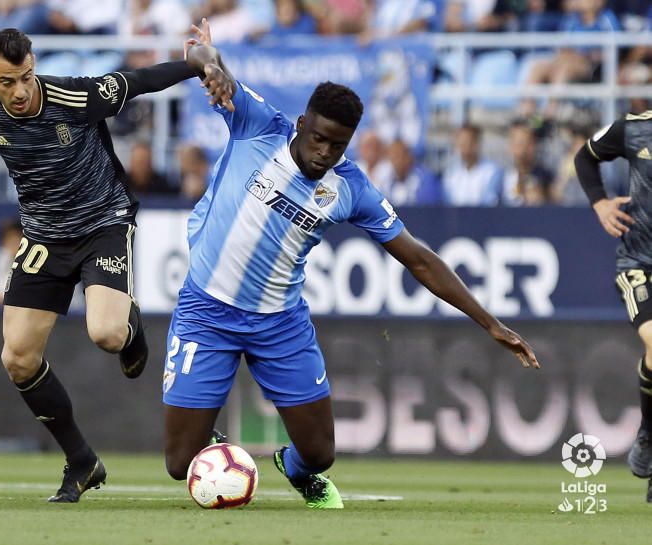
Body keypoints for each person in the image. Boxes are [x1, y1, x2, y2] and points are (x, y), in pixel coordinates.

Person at [165, 20, 540, 510]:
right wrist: (210, 61)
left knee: (319, 454)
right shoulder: (258, 125)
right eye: (319, 138)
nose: (325, 152)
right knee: (179, 462)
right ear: (302, 123)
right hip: (207, 310)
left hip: (279, 322)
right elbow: (204, 63)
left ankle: (292, 468)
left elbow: (420, 260)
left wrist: (490, 323)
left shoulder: (350, 189)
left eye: (337, 145)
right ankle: (212, 451)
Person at [0, 27, 233, 503]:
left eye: (26, 77)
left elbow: (140, 80)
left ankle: (130, 326)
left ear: (34, 65)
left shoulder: (75, 95)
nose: (19, 90)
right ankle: (81, 460)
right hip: (43, 236)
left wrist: (198, 63)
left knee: (107, 335)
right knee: (16, 358)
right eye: (7, 81)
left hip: (103, 223)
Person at [573, 109, 652, 502]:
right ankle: (649, 434)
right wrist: (600, 203)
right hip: (640, 263)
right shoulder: (635, 128)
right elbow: (584, 157)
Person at [0, 217, 23, 305]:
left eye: (15, 238)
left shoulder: (33, 257)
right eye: (8, 239)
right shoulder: (2, 255)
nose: (12, 243)